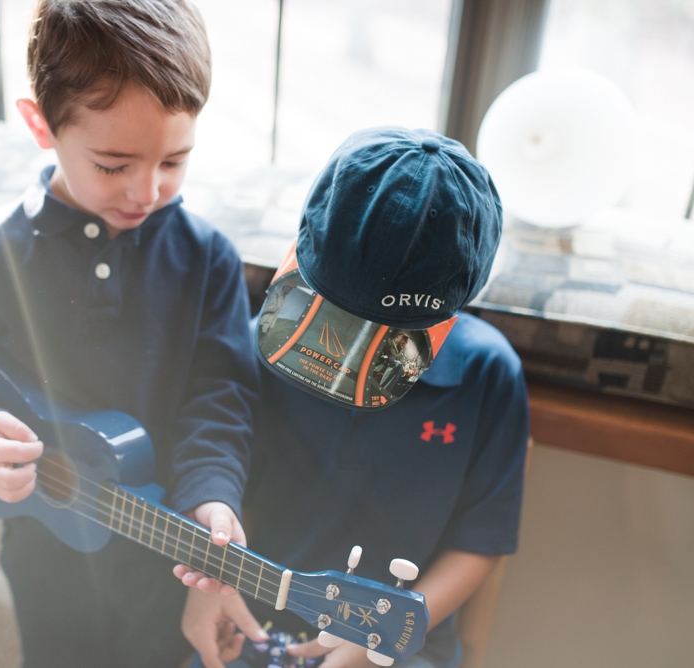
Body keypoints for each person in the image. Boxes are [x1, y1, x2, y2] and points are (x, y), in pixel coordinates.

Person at [0, 2, 258, 666]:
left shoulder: (210, 260)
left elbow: (221, 398)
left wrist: (212, 493)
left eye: (174, 160)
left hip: (160, 552)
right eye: (114, 164)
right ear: (39, 124)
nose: (147, 190)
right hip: (43, 545)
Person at [174, 126, 530, 668]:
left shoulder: (488, 375)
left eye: (381, 342)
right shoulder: (268, 338)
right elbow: (228, 464)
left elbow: (482, 539)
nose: (345, 354)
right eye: (332, 323)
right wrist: (212, 579)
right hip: (253, 618)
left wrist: (378, 639)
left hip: (405, 641)